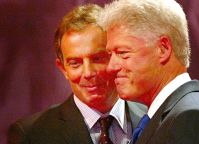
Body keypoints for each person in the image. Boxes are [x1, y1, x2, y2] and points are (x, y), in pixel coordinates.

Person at [97, 0, 199, 143]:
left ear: (163, 49)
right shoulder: (176, 114)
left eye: (123, 52)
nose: (111, 67)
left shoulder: (192, 118)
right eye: (110, 55)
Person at [7, 4, 146, 144]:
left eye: (97, 59)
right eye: (75, 63)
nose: (88, 73)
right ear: (63, 69)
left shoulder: (154, 117)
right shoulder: (31, 134)